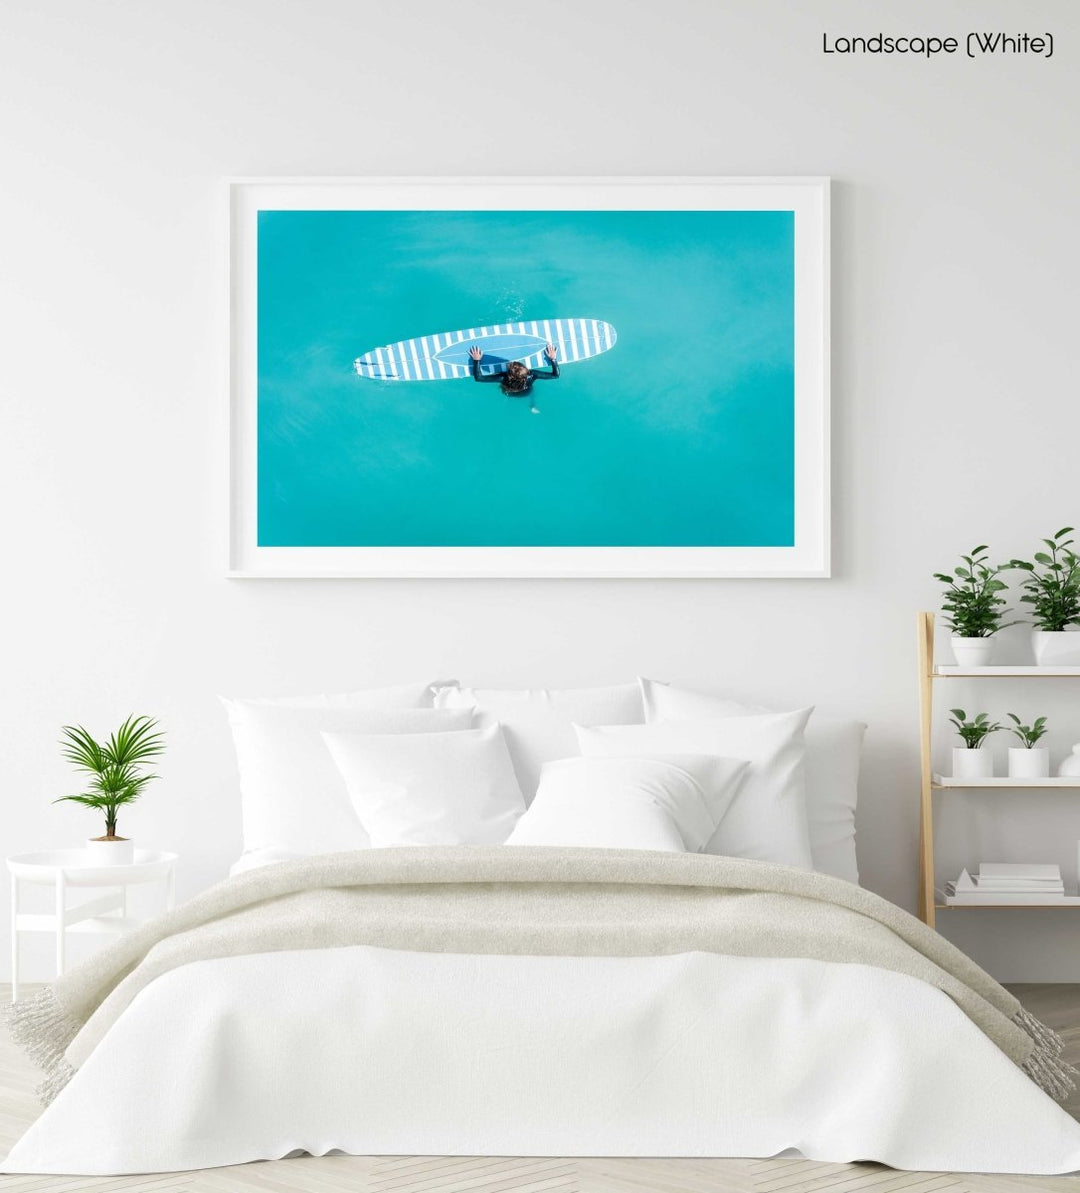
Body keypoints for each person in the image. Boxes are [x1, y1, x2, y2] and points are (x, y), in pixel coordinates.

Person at [469, 343, 559, 413]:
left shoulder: (503, 378)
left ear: (510, 374)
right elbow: (556, 375)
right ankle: (532, 406)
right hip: (526, 391)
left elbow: (479, 378)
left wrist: (476, 360)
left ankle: (526, 405)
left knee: (504, 390)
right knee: (532, 393)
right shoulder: (532, 375)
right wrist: (553, 359)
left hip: (510, 392)